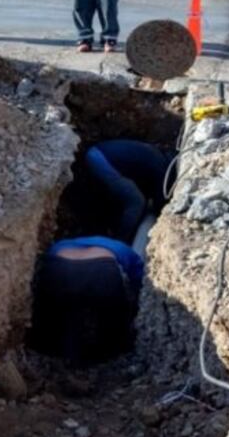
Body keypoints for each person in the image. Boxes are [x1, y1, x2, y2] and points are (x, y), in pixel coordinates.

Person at [29, 236, 143, 367]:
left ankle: (50, 353)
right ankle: (109, 357)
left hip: (59, 266)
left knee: (54, 315)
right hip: (102, 269)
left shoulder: (61, 243)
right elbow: (140, 282)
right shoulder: (123, 248)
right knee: (112, 318)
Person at [84, 139, 177, 243]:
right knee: (137, 202)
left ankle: (112, 223)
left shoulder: (156, 153)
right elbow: (159, 202)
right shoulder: (163, 169)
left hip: (98, 151)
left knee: (129, 195)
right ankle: (120, 240)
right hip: (102, 161)